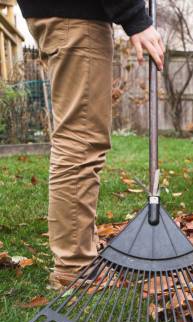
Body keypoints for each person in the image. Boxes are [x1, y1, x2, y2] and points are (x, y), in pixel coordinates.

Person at [16, 1, 165, 288]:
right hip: (76, 16)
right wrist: (136, 17)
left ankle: (79, 251)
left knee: (77, 139)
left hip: (64, 15)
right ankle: (75, 268)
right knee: (81, 142)